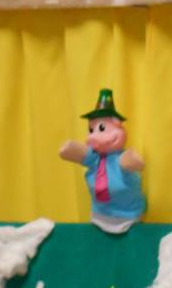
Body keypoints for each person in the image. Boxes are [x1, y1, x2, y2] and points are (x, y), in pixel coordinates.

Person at [59, 88, 146, 234]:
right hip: (98, 216)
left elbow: (135, 162)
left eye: (101, 128)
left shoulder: (120, 161)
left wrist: (131, 160)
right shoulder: (94, 158)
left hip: (128, 217)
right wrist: (69, 149)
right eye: (91, 130)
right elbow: (72, 151)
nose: (92, 136)